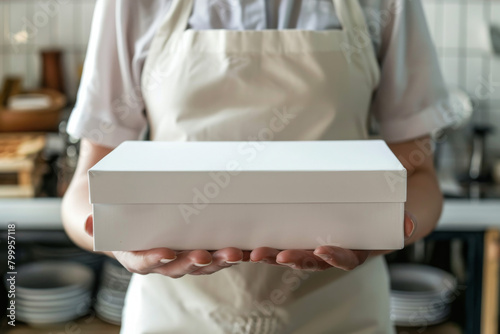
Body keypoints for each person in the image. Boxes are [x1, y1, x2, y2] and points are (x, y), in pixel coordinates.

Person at [62, 0, 454, 333]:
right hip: (176, 314)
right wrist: (115, 241)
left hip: (340, 311)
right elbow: (86, 187)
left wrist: (391, 230)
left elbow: (418, 176)